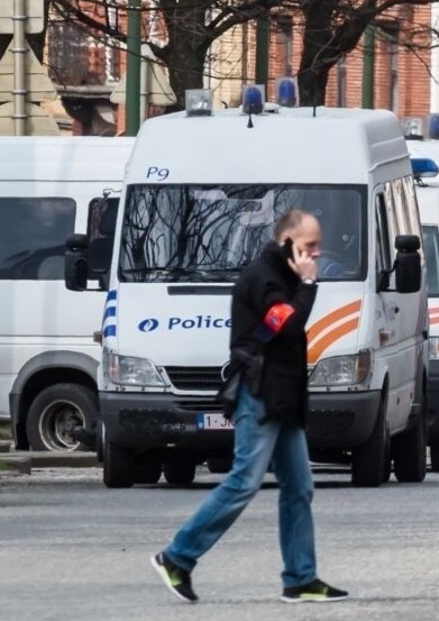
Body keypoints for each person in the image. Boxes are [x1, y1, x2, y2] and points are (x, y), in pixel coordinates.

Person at [151, 209, 347, 605]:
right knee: (243, 481)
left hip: (284, 398)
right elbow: (287, 325)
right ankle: (176, 557)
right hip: (259, 395)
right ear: (286, 242)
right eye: (309, 246)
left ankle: (300, 578)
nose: (316, 253)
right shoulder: (264, 278)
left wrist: (303, 282)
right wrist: (309, 286)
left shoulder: (284, 276)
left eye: (316, 246)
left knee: (298, 488)